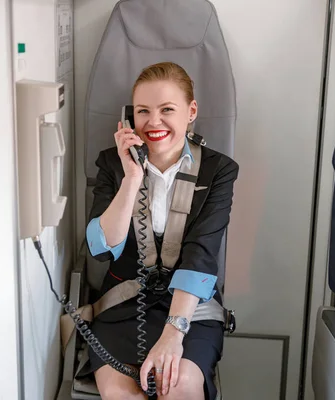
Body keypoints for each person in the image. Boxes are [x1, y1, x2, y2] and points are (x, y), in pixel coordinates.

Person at [84, 62, 239, 400]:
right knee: (124, 395)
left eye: (167, 109)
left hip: (190, 311)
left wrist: (174, 332)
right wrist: (132, 179)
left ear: (191, 111)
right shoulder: (112, 163)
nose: (153, 122)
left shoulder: (218, 170)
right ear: (130, 116)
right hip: (122, 304)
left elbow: (202, 252)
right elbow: (100, 247)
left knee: (179, 386)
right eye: (143, 111)